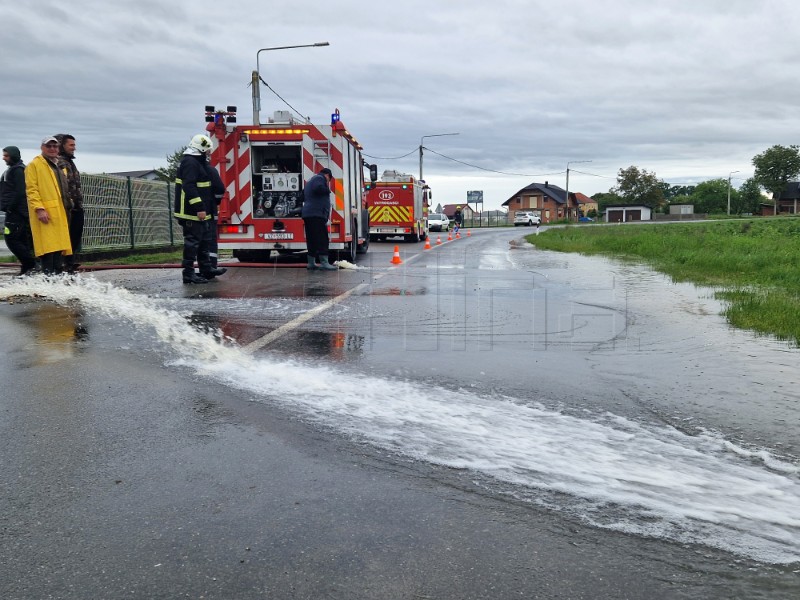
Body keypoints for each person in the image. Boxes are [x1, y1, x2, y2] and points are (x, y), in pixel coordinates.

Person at [174, 134, 221, 284]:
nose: (209, 154)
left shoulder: (197, 163)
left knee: (204, 242)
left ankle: (206, 269)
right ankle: (188, 274)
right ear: (200, 149)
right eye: (207, 151)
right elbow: (189, 187)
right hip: (191, 212)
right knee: (192, 244)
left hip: (201, 211)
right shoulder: (190, 163)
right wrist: (199, 208)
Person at [25, 136, 72, 274]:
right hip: (46, 212)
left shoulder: (58, 165)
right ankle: (47, 278)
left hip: (60, 211)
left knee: (59, 247)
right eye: (49, 146)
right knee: (48, 247)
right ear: (42, 148)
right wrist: (39, 209)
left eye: (55, 146)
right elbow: (31, 189)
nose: (52, 149)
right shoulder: (34, 165)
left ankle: (56, 277)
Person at [1, 146, 37, 275]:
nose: (4, 158)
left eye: (6, 155)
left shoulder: (18, 170)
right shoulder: (13, 170)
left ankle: (30, 264)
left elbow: (20, 192)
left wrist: (10, 207)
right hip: (16, 211)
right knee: (21, 240)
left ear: (13, 155)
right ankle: (27, 268)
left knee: (11, 238)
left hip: (16, 212)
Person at [55, 134, 84, 273]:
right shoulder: (60, 162)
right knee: (67, 238)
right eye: (71, 145)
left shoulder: (69, 162)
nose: (74, 148)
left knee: (74, 237)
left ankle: (70, 263)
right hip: (68, 209)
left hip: (76, 207)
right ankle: (65, 265)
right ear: (62, 145)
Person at [301, 167, 337, 271]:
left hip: (308, 214)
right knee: (322, 238)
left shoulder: (310, 181)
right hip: (317, 214)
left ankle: (311, 263)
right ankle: (324, 263)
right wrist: (328, 190)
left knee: (311, 239)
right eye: (328, 180)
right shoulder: (320, 178)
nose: (327, 181)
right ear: (327, 176)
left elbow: (302, 196)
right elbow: (318, 188)